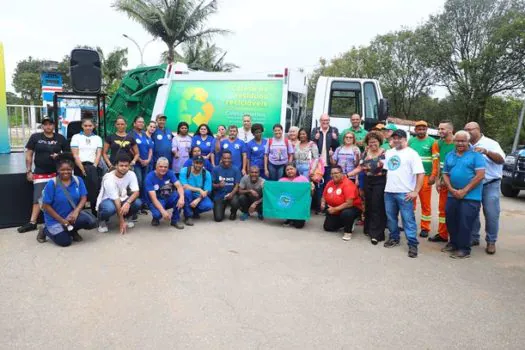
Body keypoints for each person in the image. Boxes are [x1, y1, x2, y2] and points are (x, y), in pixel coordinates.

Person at [18, 116, 69, 236]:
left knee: (60, 198)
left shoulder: (60, 138)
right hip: (40, 173)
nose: (48, 126)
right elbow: (29, 154)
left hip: (57, 173)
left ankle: (62, 220)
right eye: (45, 124)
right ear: (42, 126)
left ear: (54, 125)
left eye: (50, 124)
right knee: (38, 198)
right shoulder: (35, 137)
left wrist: (59, 156)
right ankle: (32, 222)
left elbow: (68, 154)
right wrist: (29, 171)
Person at [442, 130, 486, 259]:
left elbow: (480, 175)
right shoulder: (450, 155)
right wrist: (451, 189)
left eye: (463, 141)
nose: (460, 143)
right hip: (452, 194)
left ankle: (464, 249)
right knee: (451, 219)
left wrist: (464, 190)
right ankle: (454, 243)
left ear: (468, 142)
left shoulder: (476, 156)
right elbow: (445, 173)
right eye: (458, 141)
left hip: (471, 196)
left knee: (465, 222)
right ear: (454, 141)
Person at [465, 122, 505, 254]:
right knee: (472, 212)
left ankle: (491, 241)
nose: (468, 132)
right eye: (466, 130)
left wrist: (486, 152)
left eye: (470, 129)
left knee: (491, 213)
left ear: (478, 129)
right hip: (473, 184)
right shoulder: (465, 144)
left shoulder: (491, 143)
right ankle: (474, 237)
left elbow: (501, 160)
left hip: (490, 184)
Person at [383, 129, 425, 258]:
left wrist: (415, 191)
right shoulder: (389, 153)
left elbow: (420, 173)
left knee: (408, 219)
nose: (396, 140)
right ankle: (394, 237)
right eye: (394, 138)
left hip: (405, 192)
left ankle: (412, 244)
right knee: (391, 218)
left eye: (399, 138)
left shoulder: (412, 154)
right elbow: (387, 171)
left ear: (405, 139)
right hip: (389, 191)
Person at [40, 155, 97, 246]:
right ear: (58, 170)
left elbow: (83, 197)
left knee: (91, 222)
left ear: (72, 170)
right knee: (65, 242)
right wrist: (62, 221)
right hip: (55, 219)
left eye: (68, 169)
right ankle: (45, 229)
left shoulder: (78, 180)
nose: (66, 172)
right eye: (62, 170)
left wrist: (76, 212)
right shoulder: (52, 183)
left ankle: (72, 230)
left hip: (71, 216)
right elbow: (46, 206)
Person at [349, 131, 387, 245]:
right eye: (370, 142)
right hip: (367, 180)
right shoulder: (365, 152)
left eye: (374, 142)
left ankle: (376, 235)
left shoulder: (385, 152)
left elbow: (391, 168)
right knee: (369, 205)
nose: (372, 144)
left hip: (380, 181)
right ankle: (368, 229)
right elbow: (359, 168)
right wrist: (347, 175)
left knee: (377, 206)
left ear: (379, 142)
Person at [96, 154, 142, 234]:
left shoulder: (131, 174)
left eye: (126, 166)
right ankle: (102, 220)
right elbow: (116, 200)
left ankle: (127, 217)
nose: (124, 168)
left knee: (138, 202)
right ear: (116, 166)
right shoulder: (109, 178)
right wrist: (121, 222)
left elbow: (136, 192)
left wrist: (128, 203)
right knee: (110, 208)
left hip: (122, 198)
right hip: (108, 200)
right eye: (121, 165)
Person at [145, 157, 192, 229]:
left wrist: (182, 198)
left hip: (167, 196)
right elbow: (154, 199)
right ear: (156, 166)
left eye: (165, 167)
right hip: (156, 200)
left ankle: (175, 220)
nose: (163, 169)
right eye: (160, 166)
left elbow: (179, 186)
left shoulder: (170, 173)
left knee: (180, 196)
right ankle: (156, 217)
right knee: (158, 214)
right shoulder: (149, 177)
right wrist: (163, 212)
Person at [428, 121, 455, 243]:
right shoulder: (438, 143)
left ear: (450, 130)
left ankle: (455, 236)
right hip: (443, 182)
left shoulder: (459, 142)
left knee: (456, 210)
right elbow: (437, 162)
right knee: (442, 209)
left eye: (443, 129)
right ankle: (443, 234)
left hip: (456, 182)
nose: (440, 131)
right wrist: (438, 180)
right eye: (439, 129)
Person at [408, 120, 435, 238]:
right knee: (410, 202)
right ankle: (410, 224)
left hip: (425, 176)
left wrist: (433, 175)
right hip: (412, 177)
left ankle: (425, 227)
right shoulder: (411, 141)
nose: (421, 131)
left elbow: (435, 160)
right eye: (419, 129)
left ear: (426, 130)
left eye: (423, 129)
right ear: (415, 130)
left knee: (425, 204)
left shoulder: (432, 141)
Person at [70, 118, 103, 215]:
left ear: (93, 126)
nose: (88, 128)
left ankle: (94, 212)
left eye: (90, 126)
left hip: (93, 166)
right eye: (86, 126)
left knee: (94, 190)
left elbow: (98, 154)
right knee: (80, 191)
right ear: (82, 126)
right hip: (79, 165)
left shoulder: (97, 138)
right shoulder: (76, 137)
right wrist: (81, 168)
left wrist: (94, 166)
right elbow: (75, 155)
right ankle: (79, 213)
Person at [322, 166, 363, 241]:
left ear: (342, 173)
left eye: (336, 173)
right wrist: (323, 203)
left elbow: (349, 203)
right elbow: (324, 195)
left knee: (347, 213)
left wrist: (335, 209)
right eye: (332, 174)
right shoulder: (330, 183)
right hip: (336, 208)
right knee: (328, 227)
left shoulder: (348, 184)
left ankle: (348, 231)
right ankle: (346, 222)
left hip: (352, 207)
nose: (333, 175)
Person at [311, 113, 340, 212]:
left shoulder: (334, 130)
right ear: (320, 121)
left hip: (329, 164)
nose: (325, 122)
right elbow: (311, 144)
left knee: (329, 185)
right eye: (323, 120)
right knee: (319, 185)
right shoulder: (315, 130)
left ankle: (327, 206)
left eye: (327, 120)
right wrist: (315, 138)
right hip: (319, 164)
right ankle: (319, 207)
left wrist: (335, 139)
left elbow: (337, 145)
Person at [130, 116, 154, 212]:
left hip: (146, 163)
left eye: (142, 122)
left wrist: (148, 159)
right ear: (134, 123)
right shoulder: (131, 134)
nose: (141, 124)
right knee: (138, 183)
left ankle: (144, 203)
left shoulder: (145, 134)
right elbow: (131, 149)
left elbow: (150, 148)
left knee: (145, 183)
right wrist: (139, 159)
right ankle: (137, 204)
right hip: (136, 164)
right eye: (139, 122)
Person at [278, 162, 310, 228]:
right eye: (287, 170)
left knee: (299, 225)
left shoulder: (303, 179)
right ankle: (289, 218)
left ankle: (294, 218)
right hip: (287, 203)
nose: (290, 171)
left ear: (296, 169)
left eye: (291, 169)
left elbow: (309, 193)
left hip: (299, 205)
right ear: (285, 171)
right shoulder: (281, 180)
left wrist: (312, 188)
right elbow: (276, 193)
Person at [212, 150, 241, 222]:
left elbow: (237, 185)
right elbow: (211, 185)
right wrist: (218, 185)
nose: (226, 160)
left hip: (231, 194)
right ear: (221, 158)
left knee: (236, 201)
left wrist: (232, 194)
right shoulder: (216, 169)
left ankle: (233, 212)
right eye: (225, 158)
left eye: (228, 158)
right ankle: (222, 207)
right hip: (219, 195)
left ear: (231, 159)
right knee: (218, 218)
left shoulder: (236, 169)